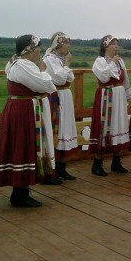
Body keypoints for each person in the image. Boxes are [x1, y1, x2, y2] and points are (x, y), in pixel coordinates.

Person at [0, 35, 57, 207]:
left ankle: (21, 191)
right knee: (23, 145)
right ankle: (20, 193)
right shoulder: (23, 65)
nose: (39, 51)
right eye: (37, 47)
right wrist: (44, 71)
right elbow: (42, 85)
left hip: (24, 109)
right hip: (24, 111)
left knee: (23, 146)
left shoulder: (19, 64)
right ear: (30, 49)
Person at [89, 35, 131, 176]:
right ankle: (97, 163)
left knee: (119, 124)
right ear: (105, 46)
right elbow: (103, 77)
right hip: (106, 97)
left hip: (119, 96)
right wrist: (113, 63)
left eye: (117, 44)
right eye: (114, 44)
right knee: (105, 127)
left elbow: (124, 80)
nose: (117, 46)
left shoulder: (120, 62)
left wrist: (130, 97)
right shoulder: (99, 61)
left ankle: (116, 161)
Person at [43, 32, 78, 180]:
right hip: (55, 97)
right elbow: (60, 78)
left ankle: (62, 166)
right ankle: (51, 170)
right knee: (56, 129)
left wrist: (65, 67)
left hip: (65, 95)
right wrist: (67, 65)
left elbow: (70, 78)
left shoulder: (60, 60)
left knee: (65, 129)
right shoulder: (49, 59)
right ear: (58, 44)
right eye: (66, 43)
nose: (69, 46)